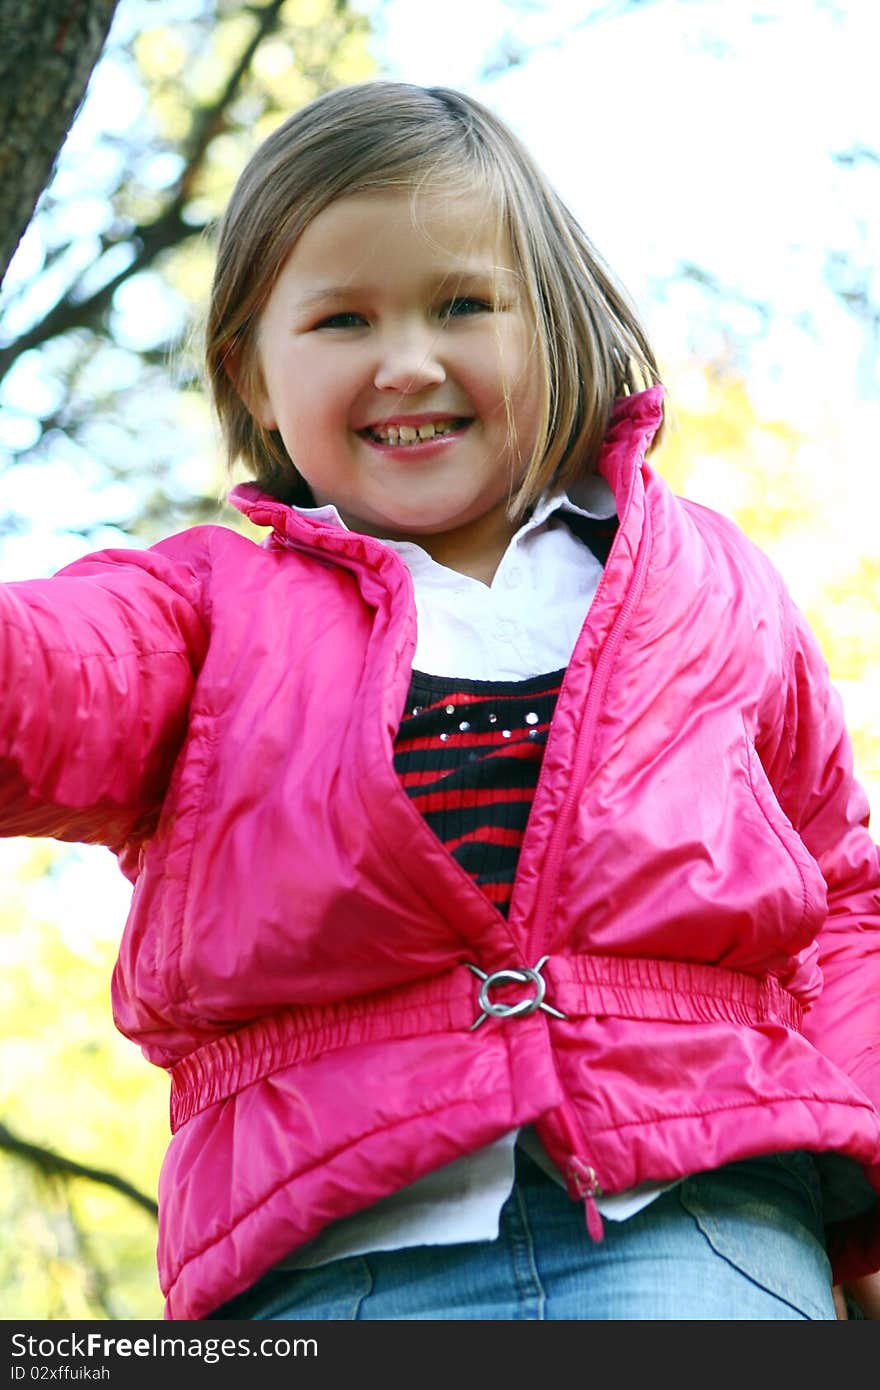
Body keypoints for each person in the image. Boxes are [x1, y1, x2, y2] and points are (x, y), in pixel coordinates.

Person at [2, 80, 879, 1322]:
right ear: (252, 376)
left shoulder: (708, 585)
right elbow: (45, 680)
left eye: (461, 304)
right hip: (331, 1262)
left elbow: (839, 903)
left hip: (696, 1221)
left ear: (553, 327)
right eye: (342, 319)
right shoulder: (203, 618)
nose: (407, 360)